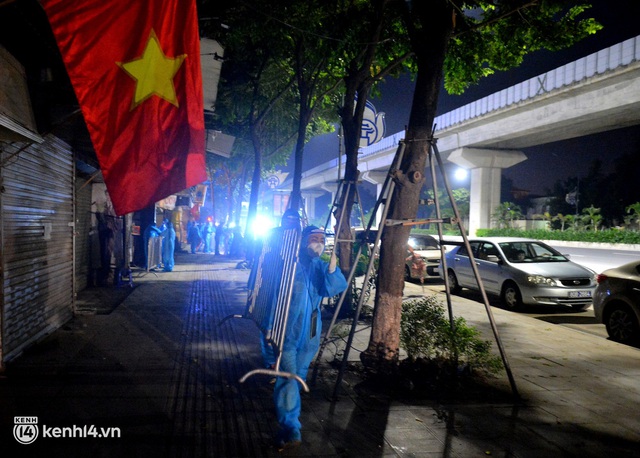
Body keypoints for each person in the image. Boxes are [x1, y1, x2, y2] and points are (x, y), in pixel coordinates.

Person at [273, 225, 347, 449]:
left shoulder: (321, 267)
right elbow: (270, 300)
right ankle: (291, 427)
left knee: (298, 376)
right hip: (287, 333)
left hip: (310, 334)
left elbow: (332, 289)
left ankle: (289, 413)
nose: (318, 242)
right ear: (303, 241)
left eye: (321, 239)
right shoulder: (289, 267)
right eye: (313, 238)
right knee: (289, 377)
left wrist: (333, 270)